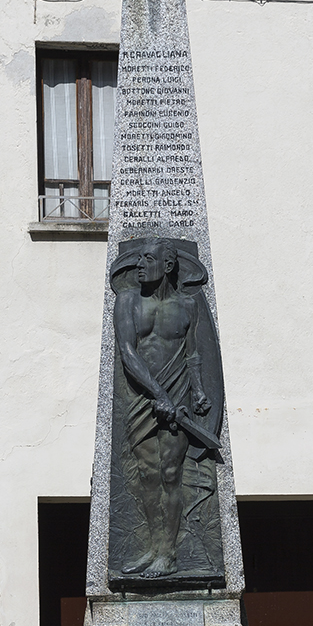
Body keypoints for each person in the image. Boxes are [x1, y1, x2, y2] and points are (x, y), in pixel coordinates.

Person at [112, 238, 215, 577]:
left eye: (147, 258)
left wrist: (198, 392)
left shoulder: (188, 305)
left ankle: (168, 554)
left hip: (178, 396)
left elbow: (192, 353)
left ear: (168, 266)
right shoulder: (127, 300)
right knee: (146, 474)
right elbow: (127, 352)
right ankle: (153, 547)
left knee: (172, 474)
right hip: (144, 395)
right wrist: (157, 394)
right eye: (138, 258)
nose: (140, 264)